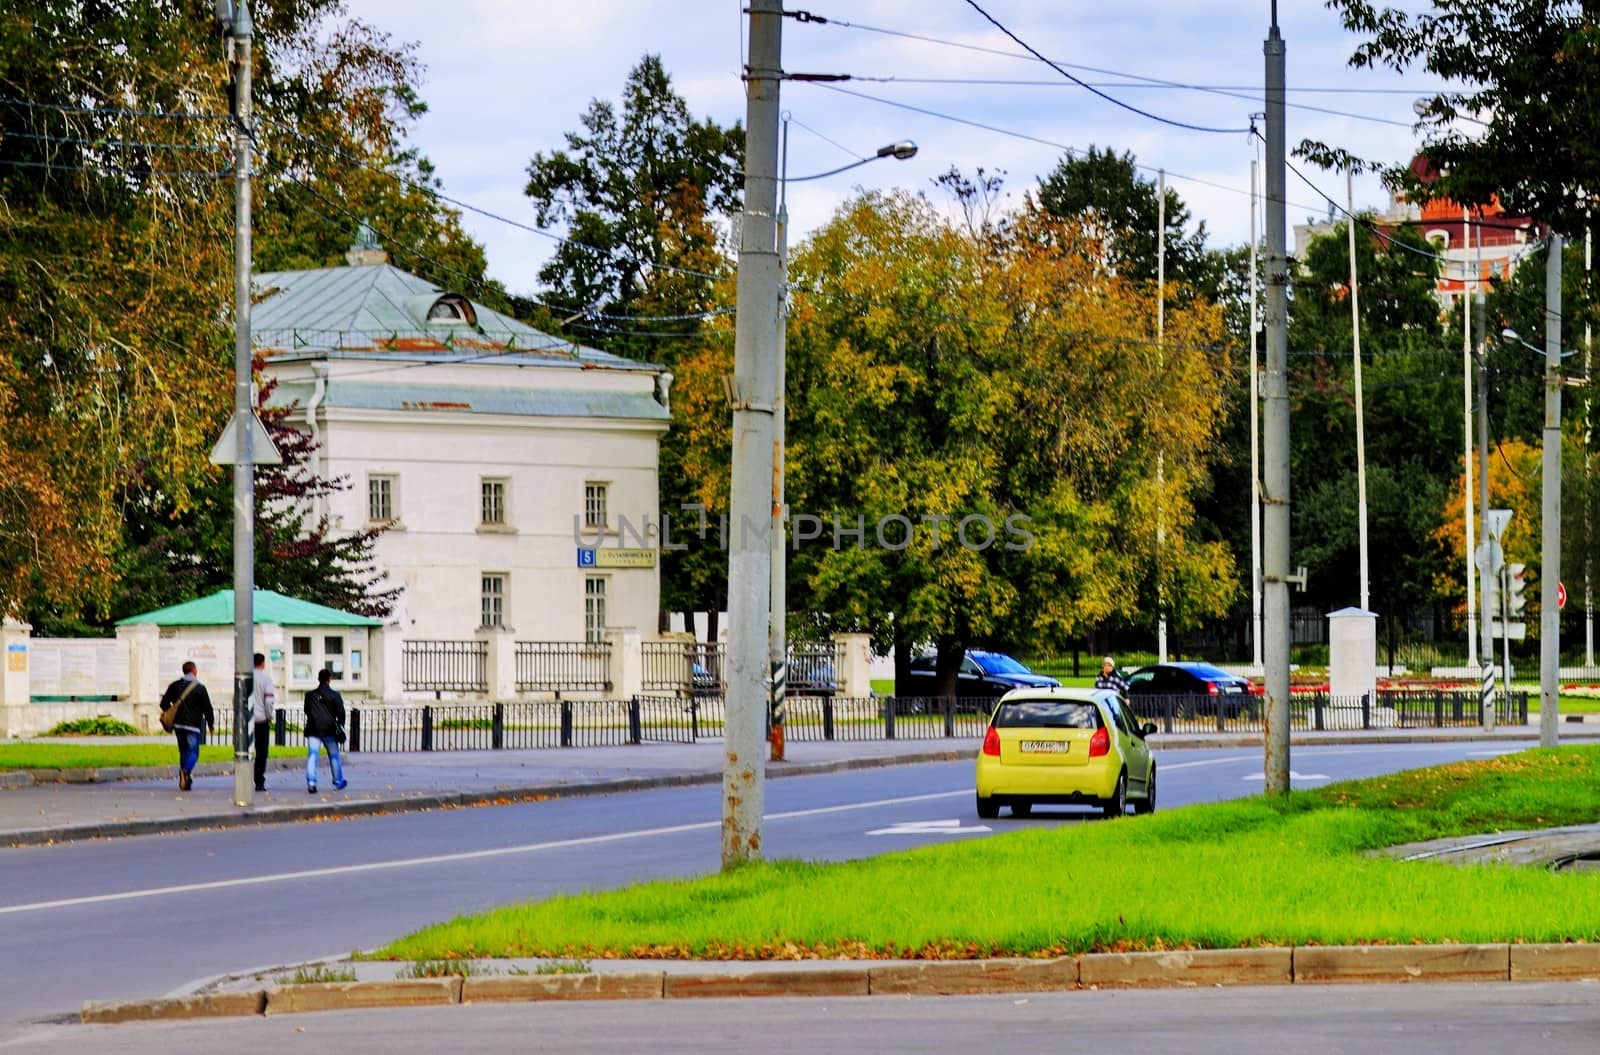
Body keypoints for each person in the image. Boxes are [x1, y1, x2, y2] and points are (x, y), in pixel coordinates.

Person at [159, 661, 214, 792]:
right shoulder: (200, 688)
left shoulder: (175, 686)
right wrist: (211, 723)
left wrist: (173, 711)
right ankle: (185, 771)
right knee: (194, 752)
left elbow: (163, 703)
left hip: (178, 724)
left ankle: (186, 781)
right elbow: (207, 708)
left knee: (184, 751)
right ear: (194, 671)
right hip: (193, 725)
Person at [303, 668, 348, 794]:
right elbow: (341, 713)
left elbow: (307, 711)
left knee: (312, 755)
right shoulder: (335, 695)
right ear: (329, 679)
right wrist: (340, 725)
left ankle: (311, 782)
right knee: (334, 756)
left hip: (313, 729)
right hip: (329, 730)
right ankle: (338, 781)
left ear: (318, 679)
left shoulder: (309, 695)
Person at [249, 652, 277, 792]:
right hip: (261, 720)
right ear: (263, 663)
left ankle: (244, 778)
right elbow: (269, 701)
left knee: (246, 750)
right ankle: (259, 780)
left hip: (247, 720)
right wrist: (269, 716)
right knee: (261, 752)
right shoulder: (266, 680)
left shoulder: (245, 678)